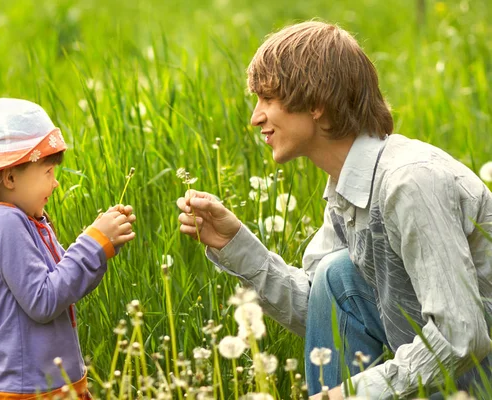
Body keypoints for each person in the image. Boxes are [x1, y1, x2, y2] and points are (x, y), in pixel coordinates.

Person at [177, 21, 492, 399]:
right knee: (334, 275)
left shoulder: (409, 182)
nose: (255, 117)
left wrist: (347, 395)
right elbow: (323, 314)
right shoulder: (350, 191)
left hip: (478, 383)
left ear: (316, 104)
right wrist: (236, 245)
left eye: (268, 99)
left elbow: (461, 337)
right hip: (443, 382)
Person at [0, 98, 136, 399]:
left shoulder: (20, 220)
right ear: (10, 177)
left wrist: (103, 242)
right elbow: (44, 300)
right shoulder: (4, 221)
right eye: (48, 172)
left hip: (48, 387)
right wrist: (92, 244)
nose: (56, 183)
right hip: (29, 393)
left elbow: (63, 285)